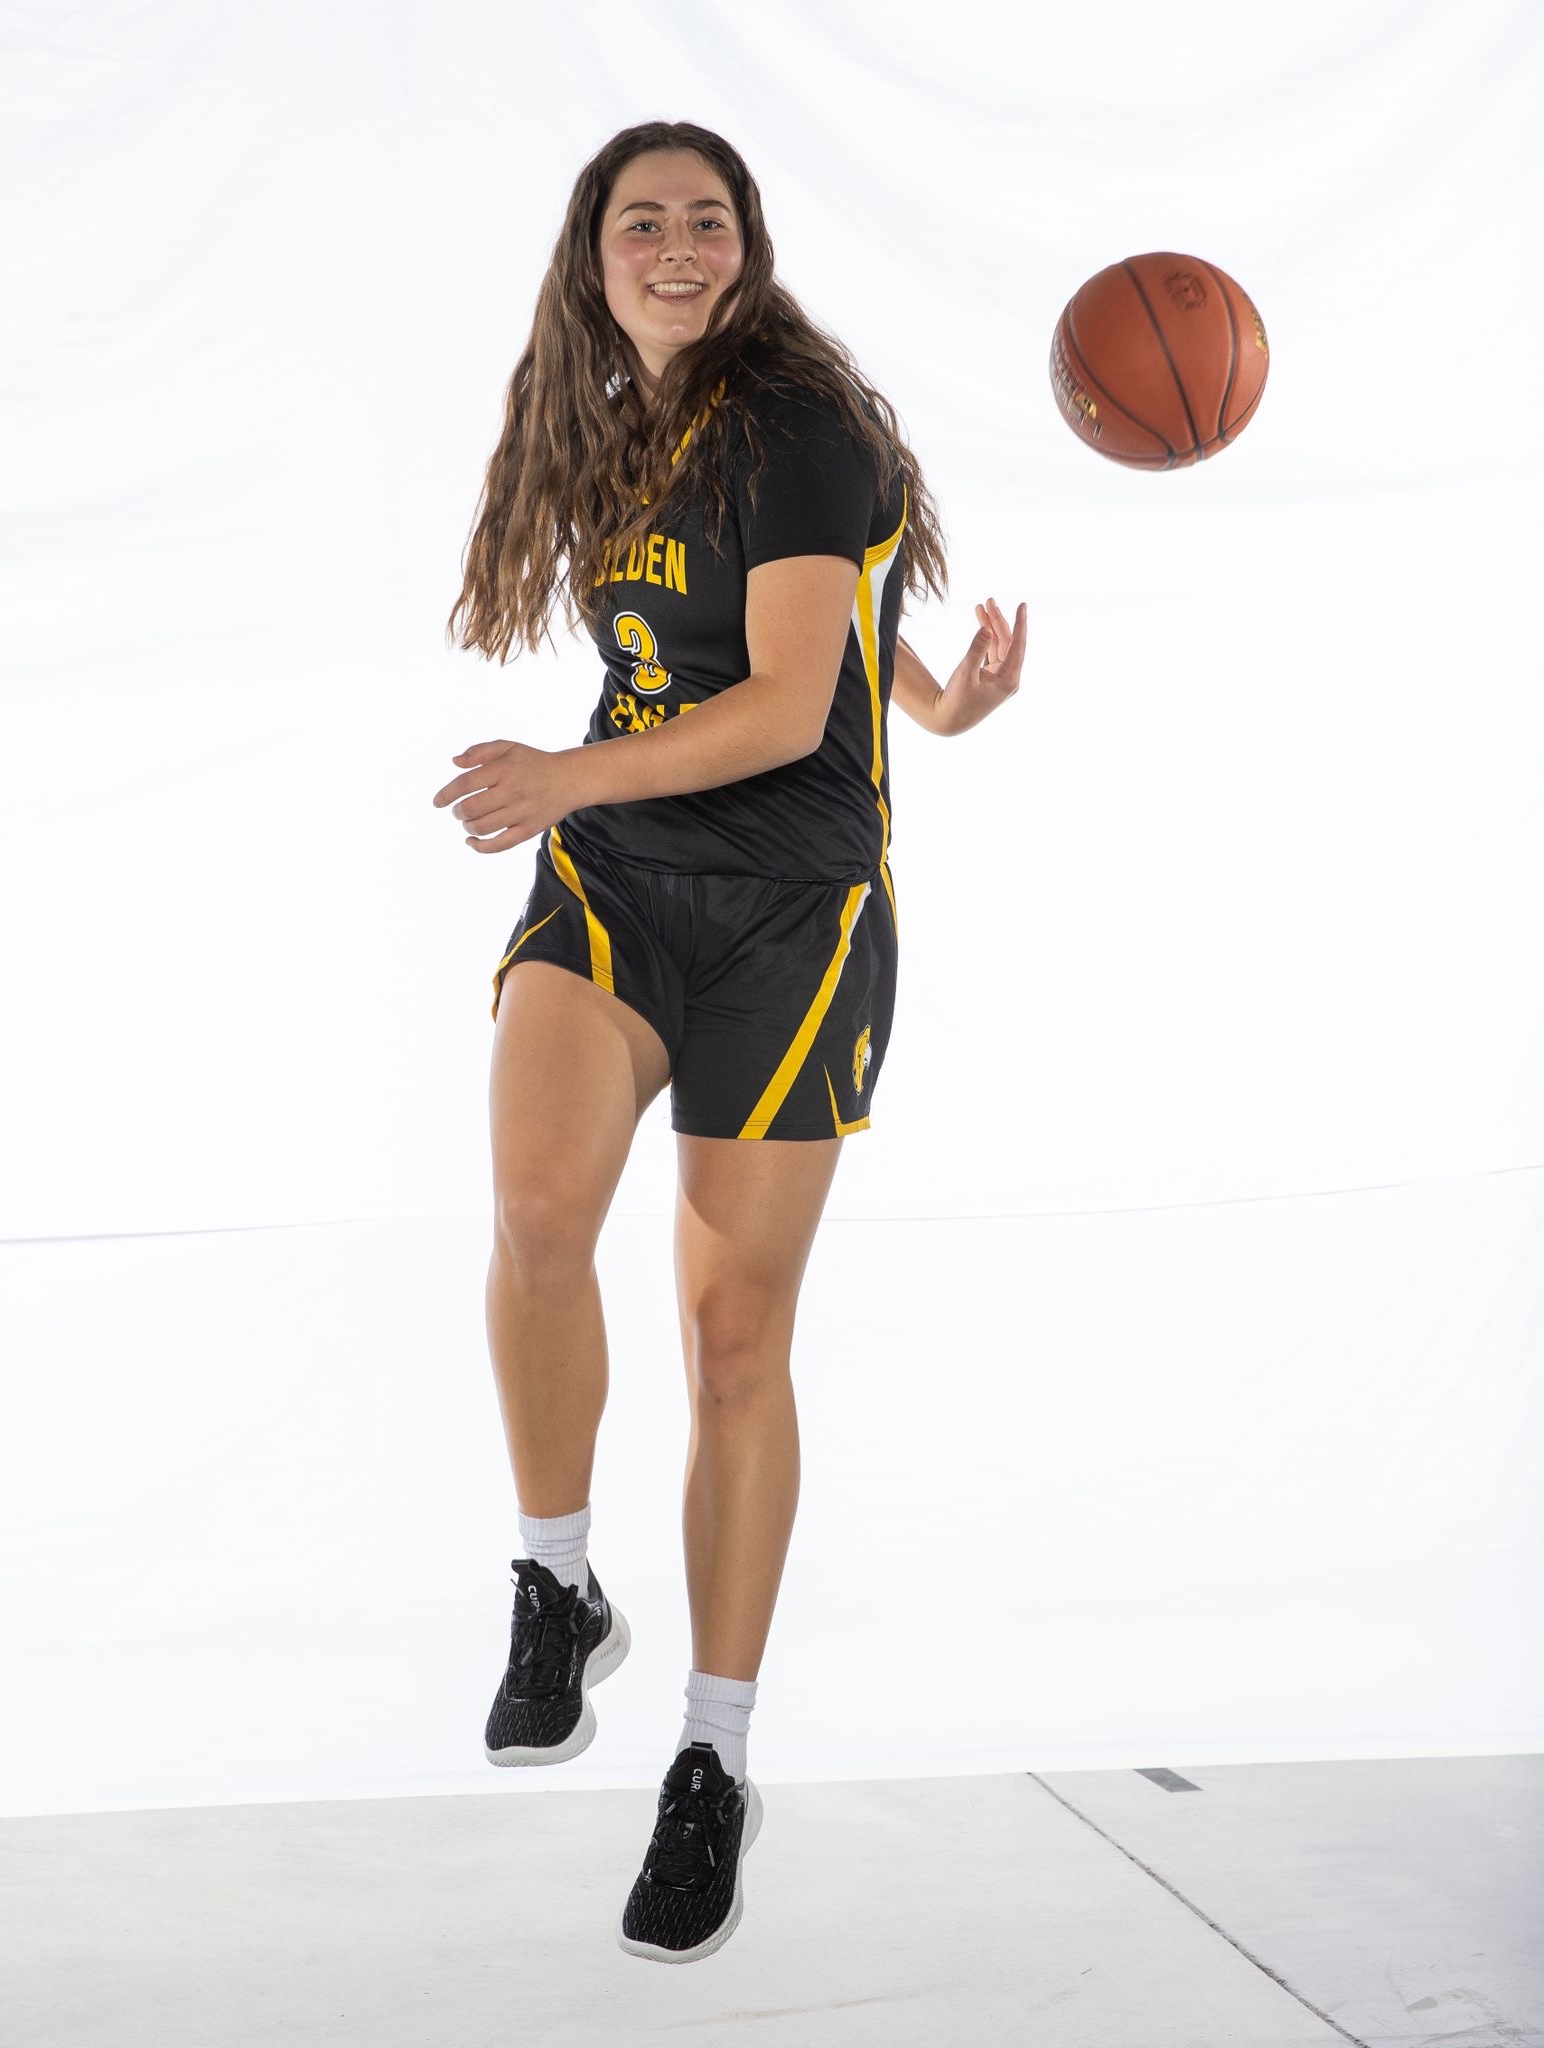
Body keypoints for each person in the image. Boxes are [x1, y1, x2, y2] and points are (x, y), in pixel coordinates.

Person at [437, 119, 1027, 1965]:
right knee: (539, 1216)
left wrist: (561, 773)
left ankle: (710, 1755)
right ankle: (555, 1583)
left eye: (706, 220)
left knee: (730, 1339)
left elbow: (783, 705)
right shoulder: (627, 419)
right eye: (643, 223)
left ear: (747, 246)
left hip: (793, 916)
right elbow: (820, 621)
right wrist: (933, 700)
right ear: (593, 257)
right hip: (621, 880)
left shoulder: (798, 418)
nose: (676, 247)